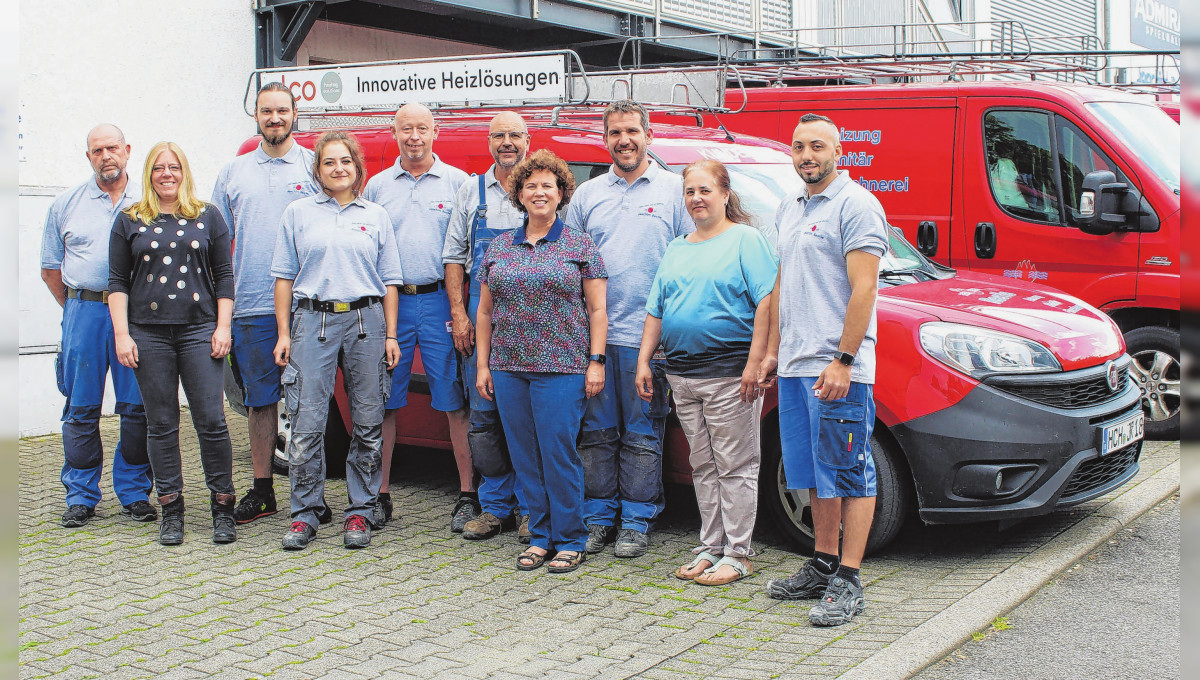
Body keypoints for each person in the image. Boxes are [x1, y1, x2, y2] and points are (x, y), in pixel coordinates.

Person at [757, 113, 887, 627]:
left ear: (840, 152)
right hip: (795, 365)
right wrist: (771, 352)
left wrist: (844, 361)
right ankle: (822, 562)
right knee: (812, 473)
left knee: (849, 472)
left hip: (838, 369)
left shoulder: (856, 205)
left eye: (817, 146)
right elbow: (786, 280)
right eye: (798, 147)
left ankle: (849, 580)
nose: (806, 155)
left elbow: (865, 289)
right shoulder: (790, 206)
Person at [635, 160, 777, 585]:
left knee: (735, 465)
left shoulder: (746, 241)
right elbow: (656, 308)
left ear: (725, 194)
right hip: (682, 374)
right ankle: (711, 546)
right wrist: (644, 359)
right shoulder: (678, 246)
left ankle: (738, 553)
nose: (697, 199)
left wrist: (757, 362)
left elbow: (767, 302)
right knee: (703, 465)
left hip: (730, 374)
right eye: (690, 192)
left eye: (705, 190)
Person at [564, 100, 693, 558]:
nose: (625, 140)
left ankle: (636, 520)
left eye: (632, 131)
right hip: (596, 340)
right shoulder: (588, 194)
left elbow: (687, 260)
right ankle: (599, 517)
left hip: (651, 341)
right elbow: (571, 264)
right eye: (616, 132)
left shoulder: (676, 191)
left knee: (643, 435)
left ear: (648, 135)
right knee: (596, 434)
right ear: (605, 140)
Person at [475, 150, 608, 573]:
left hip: (563, 368)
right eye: (530, 185)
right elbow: (483, 312)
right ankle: (541, 536)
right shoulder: (499, 246)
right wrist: (483, 365)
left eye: (547, 185)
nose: (538, 192)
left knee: (558, 453)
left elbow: (598, 311)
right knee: (525, 455)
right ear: (518, 193)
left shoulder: (579, 244)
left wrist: (596, 361)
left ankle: (571, 538)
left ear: (561, 193)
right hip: (509, 366)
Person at [271, 131, 403, 551]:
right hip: (313, 321)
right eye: (329, 162)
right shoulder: (297, 213)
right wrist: (283, 333)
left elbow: (390, 282)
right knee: (307, 424)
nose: (338, 168)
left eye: (345, 161)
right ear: (318, 169)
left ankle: (361, 511)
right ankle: (305, 514)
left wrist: (392, 336)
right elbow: (283, 277)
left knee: (367, 421)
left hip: (367, 321)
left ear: (357, 167)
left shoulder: (376, 215)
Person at [108, 141, 238, 546]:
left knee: (212, 422)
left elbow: (224, 276)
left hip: (200, 331)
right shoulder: (129, 219)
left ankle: (222, 506)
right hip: (148, 333)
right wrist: (122, 334)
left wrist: (223, 327)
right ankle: (171, 508)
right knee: (161, 424)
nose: (167, 174)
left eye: (174, 167)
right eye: (159, 168)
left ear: (184, 172)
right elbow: (117, 282)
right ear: (149, 173)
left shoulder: (208, 216)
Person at [211, 82, 325, 526]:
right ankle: (263, 492)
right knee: (262, 402)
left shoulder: (314, 166)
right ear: (255, 116)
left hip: (309, 304)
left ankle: (310, 493)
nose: (275, 118)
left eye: (282, 110)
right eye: (266, 111)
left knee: (310, 402)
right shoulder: (233, 172)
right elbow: (216, 245)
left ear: (295, 114)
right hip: (252, 305)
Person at [363, 103, 475, 532]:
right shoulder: (376, 187)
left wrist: (459, 309)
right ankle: (379, 495)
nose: (414, 136)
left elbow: (463, 249)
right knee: (382, 402)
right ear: (394, 132)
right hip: (391, 302)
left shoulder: (459, 183)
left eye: (422, 128)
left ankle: (467, 495)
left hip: (440, 302)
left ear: (435, 131)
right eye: (406, 128)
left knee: (454, 401)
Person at [40, 124, 155, 529]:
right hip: (84, 313)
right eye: (96, 150)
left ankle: (135, 491)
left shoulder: (151, 201)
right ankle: (81, 495)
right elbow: (51, 269)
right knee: (80, 409)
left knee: (136, 408)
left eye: (112, 148)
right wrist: (79, 308)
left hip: (138, 317)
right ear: (87, 157)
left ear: (127, 150)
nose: (105, 155)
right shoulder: (65, 205)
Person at [442, 111, 532, 543]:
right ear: (489, 141)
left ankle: (533, 508)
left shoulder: (542, 187)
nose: (507, 142)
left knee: (529, 416)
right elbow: (454, 257)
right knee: (484, 416)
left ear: (528, 140)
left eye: (515, 134)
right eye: (499, 135)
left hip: (534, 319)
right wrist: (459, 314)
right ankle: (495, 506)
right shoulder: (470, 190)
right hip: (481, 315)